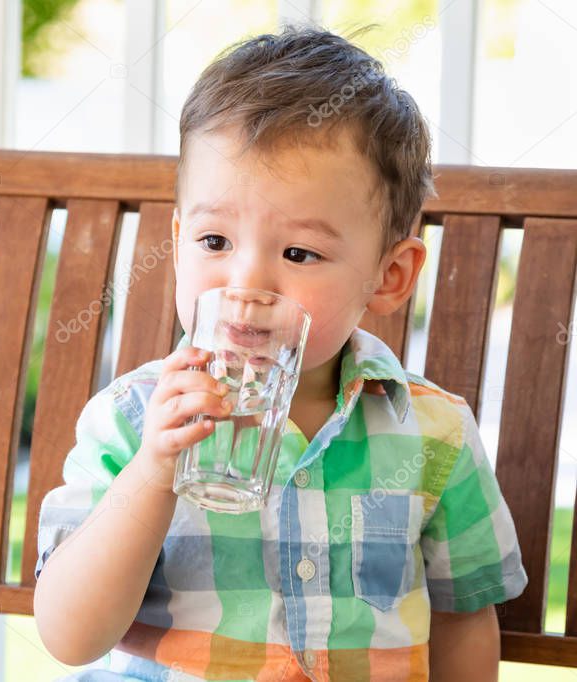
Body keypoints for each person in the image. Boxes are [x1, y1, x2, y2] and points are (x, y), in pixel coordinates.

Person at [32, 23, 528, 682]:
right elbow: (69, 636)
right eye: (214, 242)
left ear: (388, 277)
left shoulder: (432, 434)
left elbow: (462, 615)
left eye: (297, 253)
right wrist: (152, 473)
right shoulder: (128, 420)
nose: (246, 287)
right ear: (177, 240)